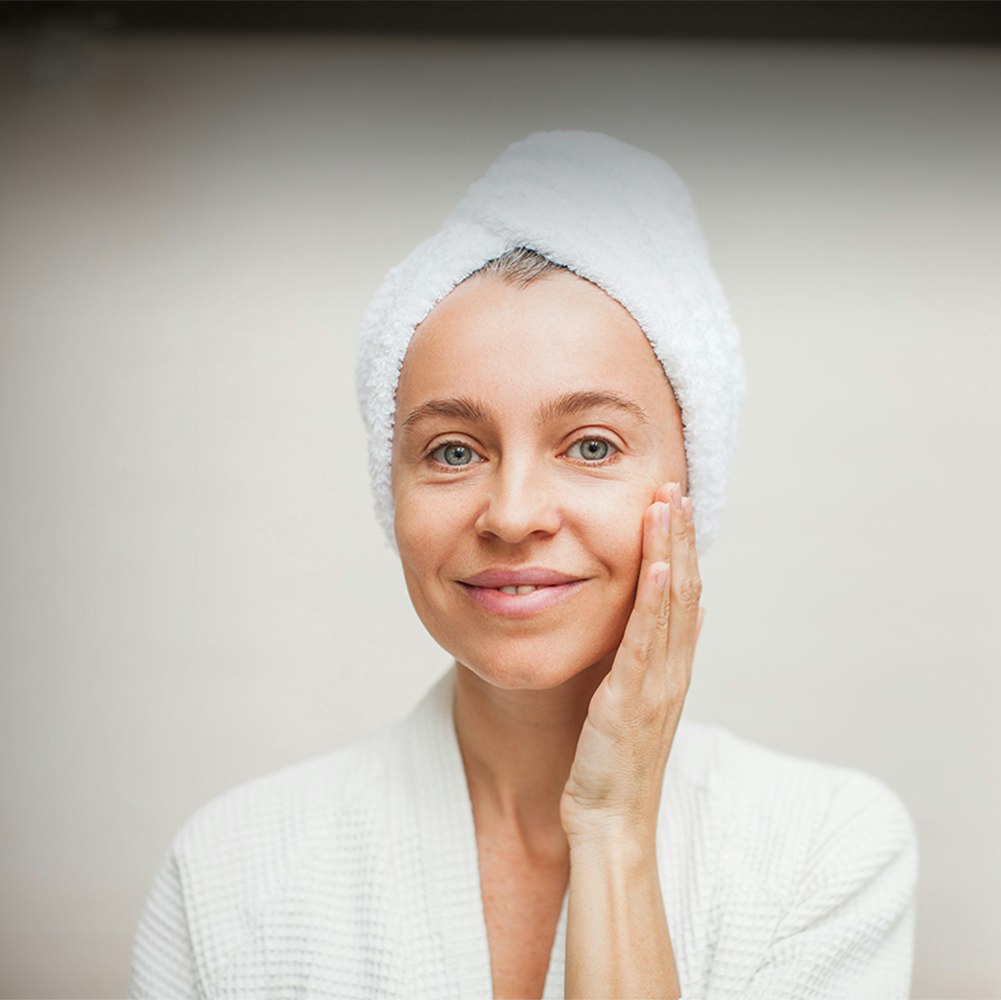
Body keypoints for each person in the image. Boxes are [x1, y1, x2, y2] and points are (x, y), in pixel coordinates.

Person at [129, 131, 917, 999]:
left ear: (695, 480)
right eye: (453, 451)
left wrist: (613, 828)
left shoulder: (824, 852)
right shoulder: (231, 873)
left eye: (590, 445)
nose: (510, 515)